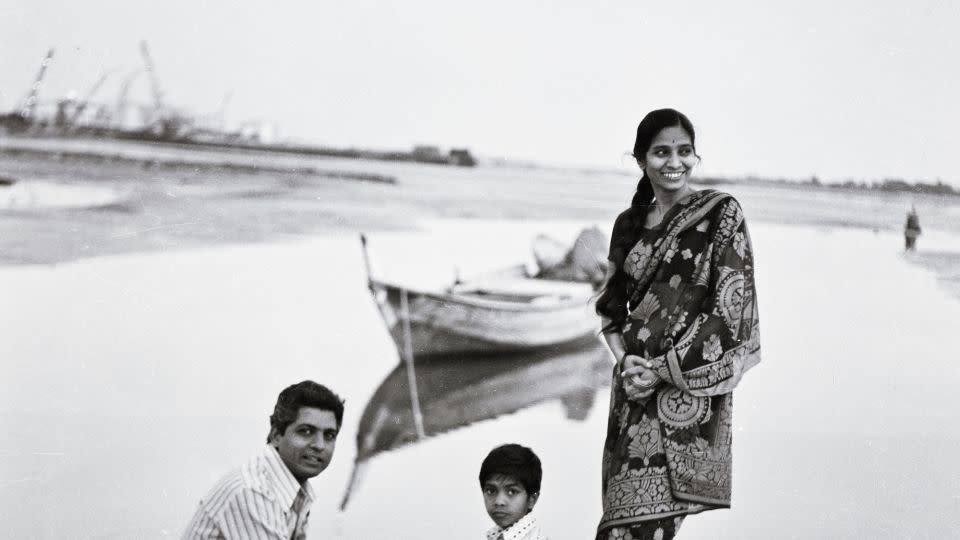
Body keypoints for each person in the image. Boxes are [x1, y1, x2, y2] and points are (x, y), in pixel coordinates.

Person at [594, 109, 761, 540]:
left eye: (684, 152)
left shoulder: (720, 214)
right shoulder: (627, 225)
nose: (674, 162)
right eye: (661, 152)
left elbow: (731, 309)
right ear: (641, 159)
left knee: (648, 528)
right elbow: (610, 311)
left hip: (686, 388)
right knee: (618, 522)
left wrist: (661, 369)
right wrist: (627, 362)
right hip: (632, 389)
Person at [182, 380, 345, 540]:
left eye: (329, 435)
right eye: (306, 431)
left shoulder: (294, 490)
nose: (320, 445)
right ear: (276, 436)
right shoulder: (253, 491)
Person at [479, 444, 549, 540]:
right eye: (491, 491)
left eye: (511, 492)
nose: (499, 501)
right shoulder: (495, 536)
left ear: (532, 499)